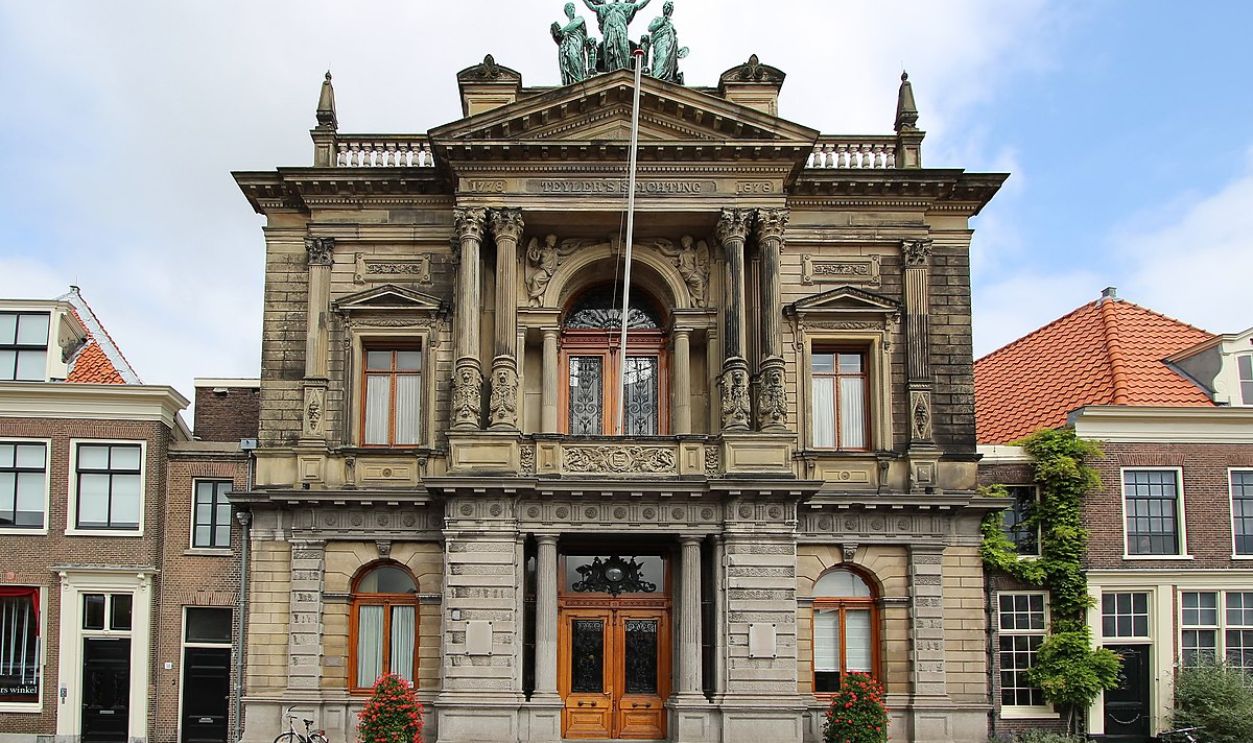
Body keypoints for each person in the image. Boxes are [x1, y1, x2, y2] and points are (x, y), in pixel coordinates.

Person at [583, 0, 651, 72]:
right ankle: (610, 70)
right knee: (609, 50)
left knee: (623, 47)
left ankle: (624, 69)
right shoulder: (605, 7)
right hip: (608, 31)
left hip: (621, 30)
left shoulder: (625, 6)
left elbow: (639, 6)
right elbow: (592, 7)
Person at [646, 1, 687, 83]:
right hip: (660, 42)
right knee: (662, 57)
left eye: (669, 8)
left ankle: (667, 77)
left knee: (669, 61)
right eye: (665, 7)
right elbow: (650, 28)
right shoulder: (658, 19)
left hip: (671, 44)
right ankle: (659, 76)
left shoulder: (670, 24)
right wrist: (662, 22)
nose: (667, 9)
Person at [550, 3, 588, 85]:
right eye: (568, 8)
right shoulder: (566, 31)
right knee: (570, 58)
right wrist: (555, 33)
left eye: (572, 7)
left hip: (577, 43)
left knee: (575, 57)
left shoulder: (579, 18)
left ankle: (579, 80)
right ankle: (573, 82)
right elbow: (560, 40)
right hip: (569, 45)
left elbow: (574, 24)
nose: (571, 9)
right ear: (566, 12)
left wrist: (562, 30)